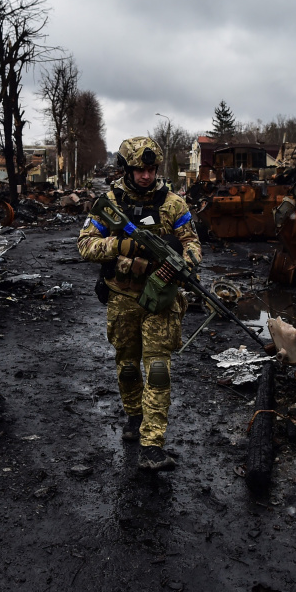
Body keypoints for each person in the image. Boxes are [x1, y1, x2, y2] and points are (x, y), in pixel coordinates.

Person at [77, 137, 202, 471]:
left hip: (160, 300)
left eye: (150, 169)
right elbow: (86, 245)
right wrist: (123, 246)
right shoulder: (110, 202)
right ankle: (134, 416)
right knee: (128, 365)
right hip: (122, 299)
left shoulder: (173, 204)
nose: (146, 176)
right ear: (125, 169)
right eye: (138, 170)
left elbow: (192, 243)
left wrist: (183, 262)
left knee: (158, 369)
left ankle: (152, 443)